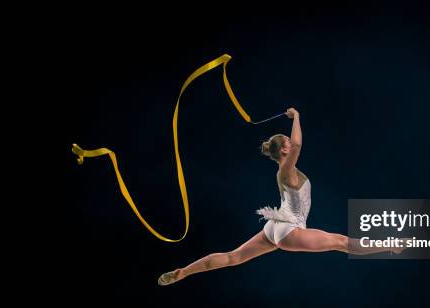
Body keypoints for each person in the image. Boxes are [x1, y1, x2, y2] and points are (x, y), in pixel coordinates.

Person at [158, 108, 405, 286]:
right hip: (288, 229)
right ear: (284, 149)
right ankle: (390, 245)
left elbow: (295, 146)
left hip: (275, 226)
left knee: (234, 257)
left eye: (288, 137)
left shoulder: (286, 171)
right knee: (341, 242)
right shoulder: (285, 170)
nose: (291, 140)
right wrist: (296, 116)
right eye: (287, 140)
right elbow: (298, 145)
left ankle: (183, 272)